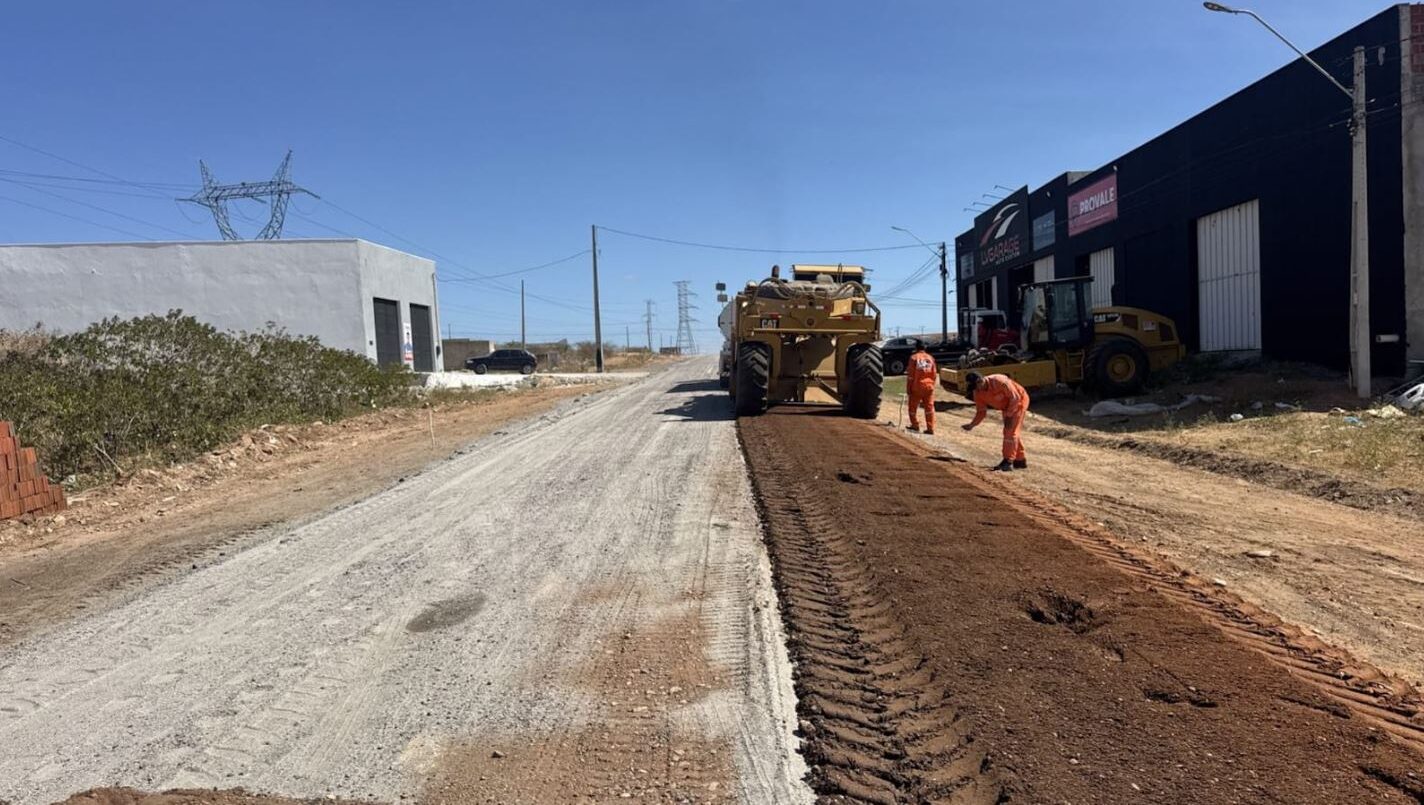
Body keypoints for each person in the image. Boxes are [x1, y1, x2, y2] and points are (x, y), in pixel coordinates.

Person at [961, 371, 1030, 471]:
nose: (976, 390)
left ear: (980, 381)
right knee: (1010, 432)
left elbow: (1015, 397)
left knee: (1010, 432)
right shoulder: (977, 393)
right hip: (1006, 406)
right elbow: (981, 412)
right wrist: (972, 425)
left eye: (976, 387)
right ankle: (1020, 460)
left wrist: (1010, 416)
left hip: (1019, 402)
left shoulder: (999, 381)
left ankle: (1008, 461)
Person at [905, 340, 937, 435]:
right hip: (929, 386)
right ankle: (930, 428)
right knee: (929, 408)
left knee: (912, 408)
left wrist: (908, 388)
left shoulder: (914, 358)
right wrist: (932, 385)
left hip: (917, 386)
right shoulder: (930, 358)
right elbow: (934, 374)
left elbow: (911, 375)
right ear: (925, 348)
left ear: (916, 348)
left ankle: (915, 425)